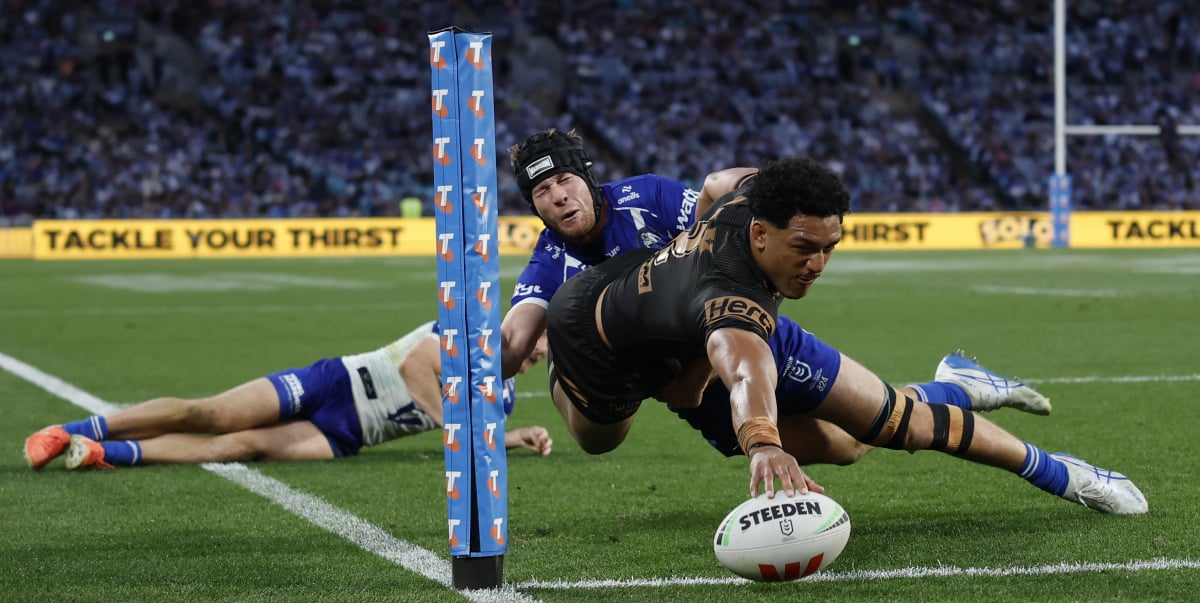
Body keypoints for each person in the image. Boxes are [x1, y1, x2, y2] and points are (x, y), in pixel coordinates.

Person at [536, 154, 1147, 515]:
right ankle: (565, 379)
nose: (818, 264)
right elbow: (742, 368)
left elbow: (723, 183)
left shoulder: (755, 205)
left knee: (884, 428)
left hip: (695, 319)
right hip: (592, 334)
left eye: (830, 247)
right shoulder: (731, 306)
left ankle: (1064, 473)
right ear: (759, 234)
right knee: (600, 441)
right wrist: (763, 444)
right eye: (804, 247)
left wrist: (697, 237)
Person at [500, 128, 1049, 417]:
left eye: (564, 180)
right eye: (542, 191)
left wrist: (773, 192)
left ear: (586, 178)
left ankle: (954, 388)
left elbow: (720, 219)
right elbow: (513, 340)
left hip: (737, 324)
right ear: (533, 205)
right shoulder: (549, 259)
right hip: (684, 375)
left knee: (855, 435)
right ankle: (954, 388)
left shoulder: (646, 197)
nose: (559, 196)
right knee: (838, 445)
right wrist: (475, 371)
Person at [23, 321, 553, 470]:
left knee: (235, 447)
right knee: (213, 415)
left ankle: (101, 452)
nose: (533, 355)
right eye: (534, 343)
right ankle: (66, 431)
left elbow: (476, 434)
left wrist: (513, 436)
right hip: (337, 382)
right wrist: (453, 425)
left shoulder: (502, 400)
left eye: (540, 356)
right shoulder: (468, 331)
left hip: (348, 434)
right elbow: (416, 366)